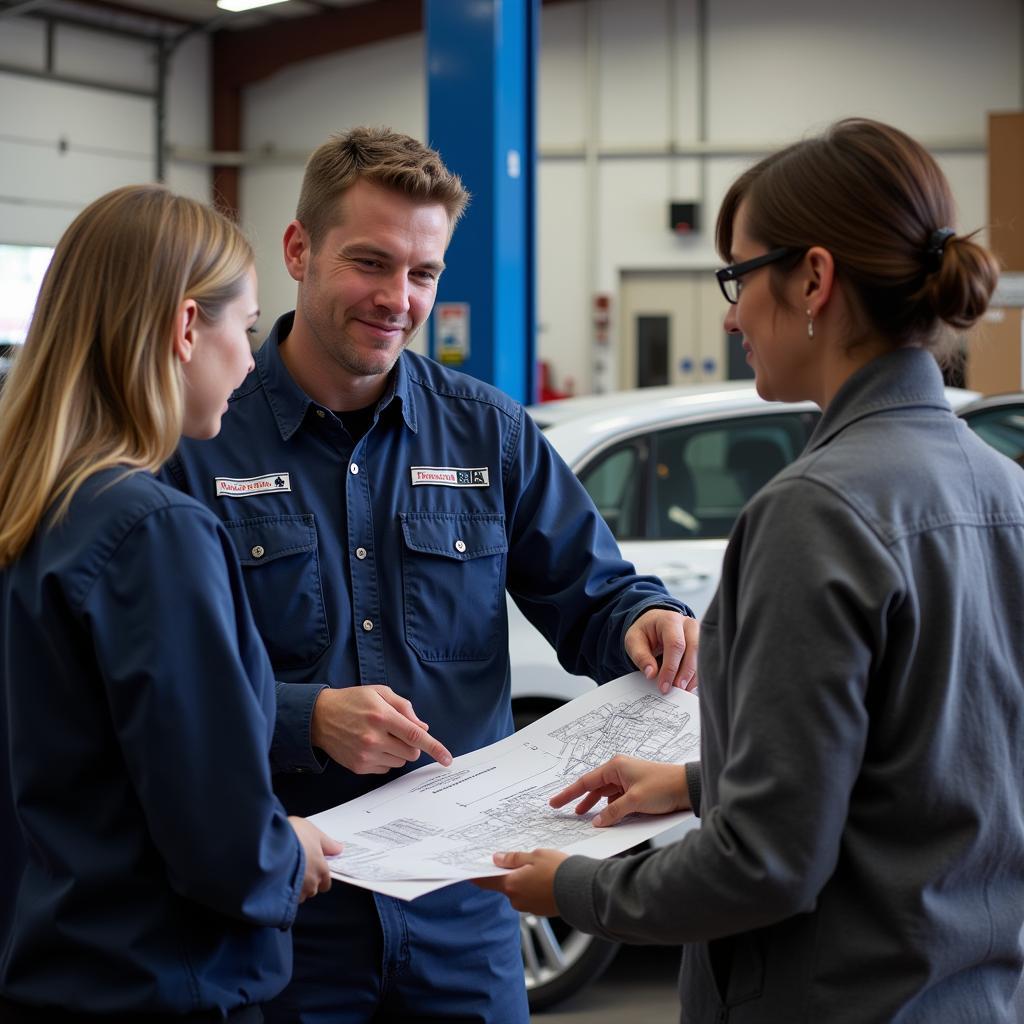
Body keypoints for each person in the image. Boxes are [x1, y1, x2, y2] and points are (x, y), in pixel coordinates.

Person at [477, 118, 1024, 1023]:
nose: (729, 314)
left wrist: (573, 889)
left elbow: (763, 865)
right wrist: (697, 783)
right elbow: (928, 766)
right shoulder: (1005, 489)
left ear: (813, 278)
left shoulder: (816, 511)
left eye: (737, 276)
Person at [160, 126, 699, 1024]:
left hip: (464, 914)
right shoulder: (202, 441)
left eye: (423, 274)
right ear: (298, 250)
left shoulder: (489, 433)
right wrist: (305, 717)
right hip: (289, 912)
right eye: (370, 264)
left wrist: (645, 618)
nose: (396, 299)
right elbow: (164, 686)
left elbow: (595, 595)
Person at [0, 185, 342, 1021]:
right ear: (188, 327)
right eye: (248, 327)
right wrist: (287, 852)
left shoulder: (30, 508)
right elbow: (221, 838)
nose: (252, 360)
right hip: (159, 980)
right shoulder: (152, 531)